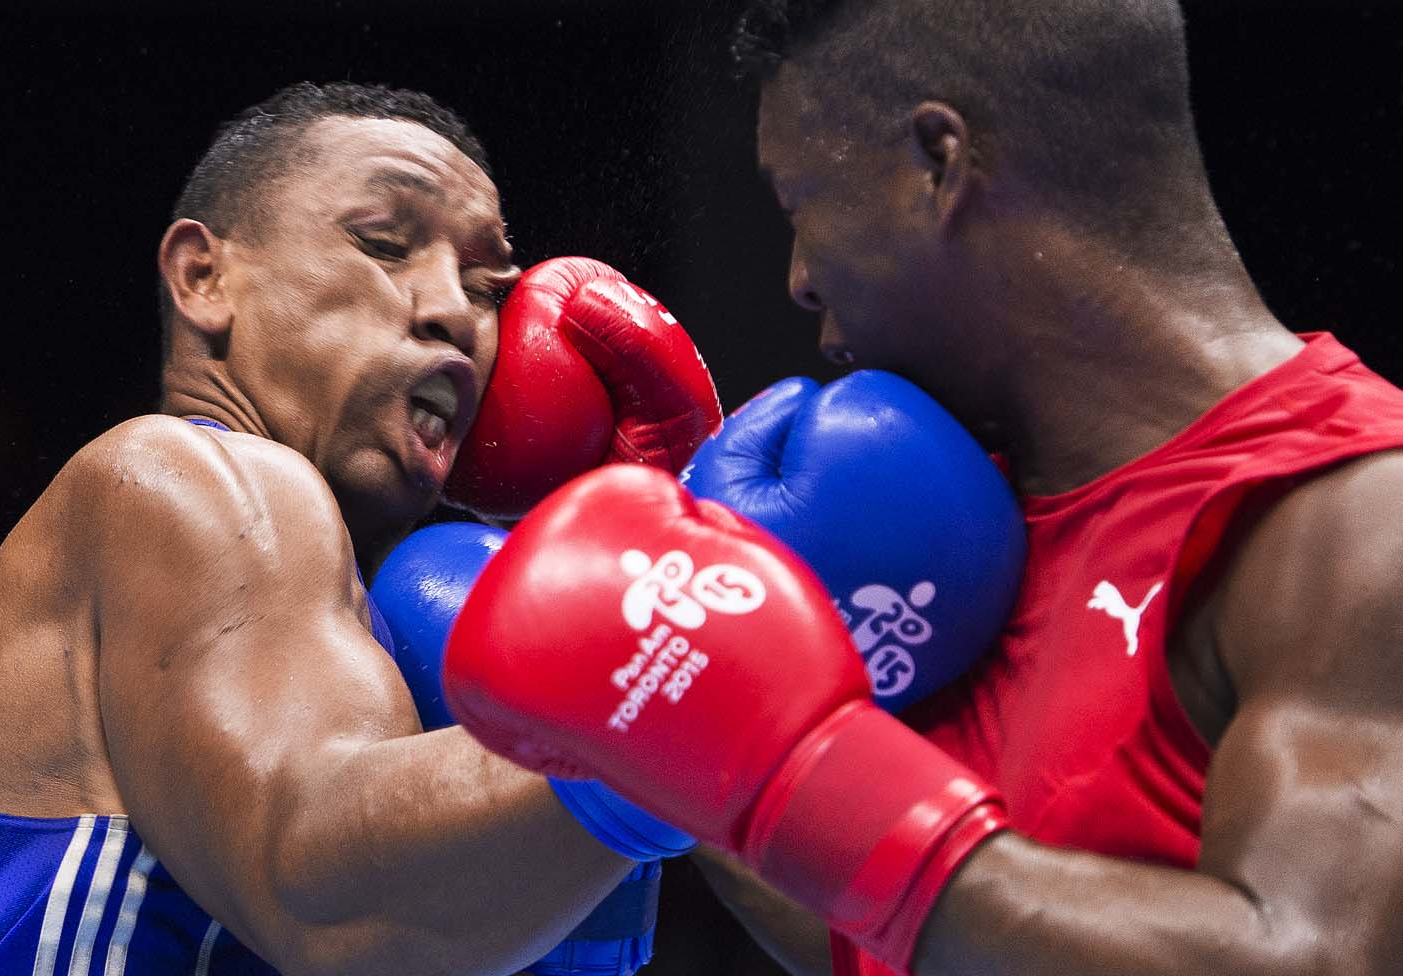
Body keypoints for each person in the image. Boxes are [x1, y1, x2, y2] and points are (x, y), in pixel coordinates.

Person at [440, 2, 1403, 975]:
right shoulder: (945, 525)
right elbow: (893, 941)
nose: (800, 278)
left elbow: (1316, 956)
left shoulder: (1348, 514)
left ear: (937, 165)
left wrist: (800, 773)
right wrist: (673, 685)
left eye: (800, 206)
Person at [0, 81, 720, 975]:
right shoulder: (184, 477)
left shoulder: (369, 631)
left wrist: (640, 598)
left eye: (488, 288)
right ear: (204, 277)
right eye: (385, 244)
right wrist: (672, 669)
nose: (455, 312)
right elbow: (324, 899)